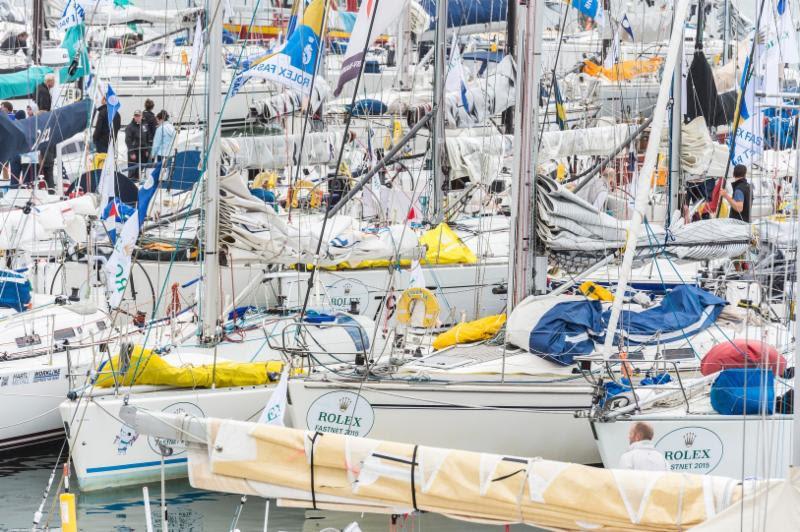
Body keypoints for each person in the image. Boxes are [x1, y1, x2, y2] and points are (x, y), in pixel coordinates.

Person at [125, 110, 149, 180]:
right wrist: (131, 152)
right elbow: (127, 140)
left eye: (138, 116)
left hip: (142, 151)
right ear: (134, 117)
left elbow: (147, 137)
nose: (137, 117)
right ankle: (131, 180)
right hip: (134, 151)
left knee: (141, 168)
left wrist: (147, 149)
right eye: (136, 116)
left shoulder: (144, 125)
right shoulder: (130, 127)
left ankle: (138, 178)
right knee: (132, 169)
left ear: (141, 116)